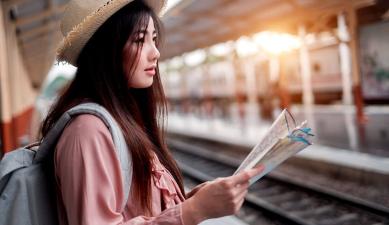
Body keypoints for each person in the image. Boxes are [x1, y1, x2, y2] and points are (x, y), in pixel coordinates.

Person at [41, 0, 263, 224]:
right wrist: (195, 209)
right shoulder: (87, 131)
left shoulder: (121, 121)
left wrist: (191, 200)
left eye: (154, 39)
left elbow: (137, 210)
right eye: (139, 40)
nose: (155, 52)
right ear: (105, 50)